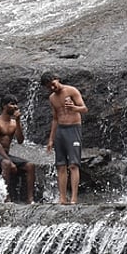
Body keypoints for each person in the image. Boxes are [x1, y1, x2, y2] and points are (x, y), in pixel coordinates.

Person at [40, 71, 88, 204]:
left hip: (73, 128)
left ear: (57, 79)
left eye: (53, 84)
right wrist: (51, 139)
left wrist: (73, 108)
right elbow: (55, 118)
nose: (52, 88)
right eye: (49, 87)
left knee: (73, 164)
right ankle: (62, 198)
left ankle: (73, 198)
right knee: (60, 165)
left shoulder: (71, 91)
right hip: (60, 130)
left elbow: (84, 109)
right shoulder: (52, 98)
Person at [0, 94, 36, 203]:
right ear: (4, 105)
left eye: (16, 104)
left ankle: (30, 199)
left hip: (5, 154)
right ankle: (6, 198)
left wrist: (18, 121)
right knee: (7, 164)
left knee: (30, 166)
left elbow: (20, 140)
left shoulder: (13, 123)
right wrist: (9, 161)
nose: (16, 107)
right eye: (12, 104)